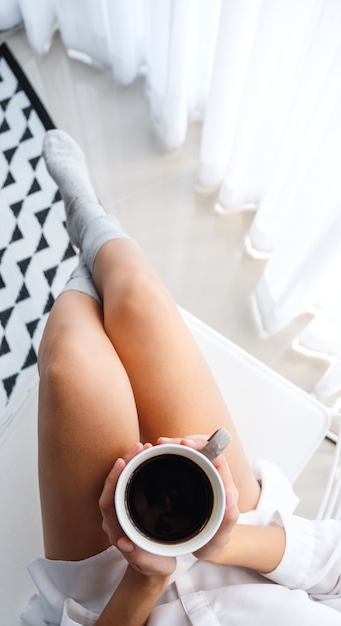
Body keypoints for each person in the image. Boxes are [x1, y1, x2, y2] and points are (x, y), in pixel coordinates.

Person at [21, 130, 341, 626]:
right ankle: (90, 224)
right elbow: (334, 566)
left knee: (70, 368)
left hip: (114, 600)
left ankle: (90, 250)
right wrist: (225, 540)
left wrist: (146, 576)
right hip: (240, 547)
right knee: (139, 303)